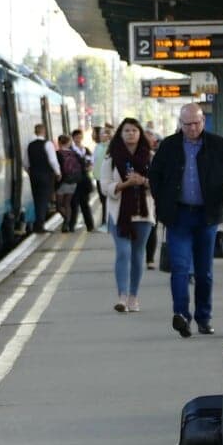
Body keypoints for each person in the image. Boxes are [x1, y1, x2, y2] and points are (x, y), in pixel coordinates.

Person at [148, 103, 223, 337]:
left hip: (207, 215)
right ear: (180, 124)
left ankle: (204, 317)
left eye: (196, 123)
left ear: (203, 121)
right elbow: (155, 175)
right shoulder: (169, 146)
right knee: (180, 267)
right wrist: (162, 202)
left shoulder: (216, 144)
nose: (192, 128)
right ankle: (181, 315)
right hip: (178, 216)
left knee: (204, 272)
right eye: (187, 124)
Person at [100, 118, 155, 312]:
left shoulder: (151, 157)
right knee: (123, 252)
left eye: (134, 130)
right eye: (126, 131)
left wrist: (143, 181)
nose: (130, 134)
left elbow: (160, 184)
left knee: (138, 255)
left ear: (140, 133)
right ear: (120, 135)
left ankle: (134, 296)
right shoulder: (111, 159)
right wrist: (125, 185)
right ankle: (122, 296)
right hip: (119, 214)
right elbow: (104, 186)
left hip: (143, 213)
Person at [26, 123, 61, 233]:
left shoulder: (30, 145)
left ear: (35, 131)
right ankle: (39, 225)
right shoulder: (48, 144)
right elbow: (52, 160)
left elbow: (25, 162)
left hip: (34, 175)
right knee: (44, 199)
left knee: (37, 199)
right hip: (46, 176)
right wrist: (58, 172)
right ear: (44, 131)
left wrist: (30, 171)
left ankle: (39, 223)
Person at [68, 128, 96, 232]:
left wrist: (90, 166)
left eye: (80, 137)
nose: (79, 139)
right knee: (74, 204)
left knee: (85, 204)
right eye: (77, 137)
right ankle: (71, 226)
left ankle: (90, 226)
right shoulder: (70, 150)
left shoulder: (86, 149)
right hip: (74, 181)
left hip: (84, 180)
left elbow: (91, 161)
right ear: (73, 138)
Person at [55, 135, 80, 232]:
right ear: (69, 143)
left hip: (62, 182)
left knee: (59, 206)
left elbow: (55, 168)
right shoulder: (74, 154)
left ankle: (66, 221)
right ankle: (67, 223)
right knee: (67, 204)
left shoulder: (57, 154)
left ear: (59, 142)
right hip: (73, 182)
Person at [144, 128, 161, 268]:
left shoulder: (153, 156)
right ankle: (137, 255)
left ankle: (150, 259)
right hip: (133, 198)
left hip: (152, 197)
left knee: (152, 227)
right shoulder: (129, 157)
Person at [92, 124, 113, 229]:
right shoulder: (98, 146)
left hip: (108, 178)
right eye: (101, 134)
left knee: (106, 200)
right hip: (98, 177)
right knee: (103, 200)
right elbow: (94, 161)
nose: (102, 136)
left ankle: (107, 222)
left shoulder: (112, 147)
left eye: (104, 134)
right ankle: (105, 221)